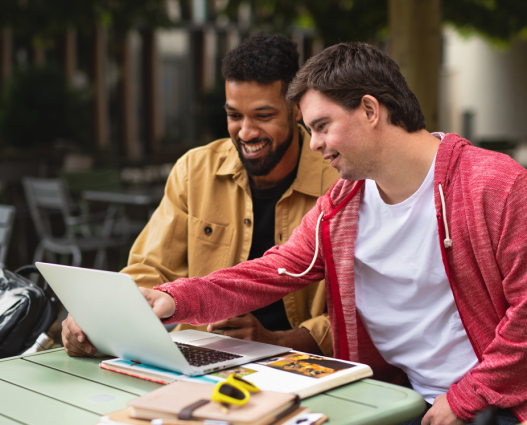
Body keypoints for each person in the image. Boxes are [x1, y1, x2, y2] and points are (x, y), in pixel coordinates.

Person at [135, 43, 527, 425]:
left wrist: (464, 398)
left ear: (370, 109)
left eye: (322, 126)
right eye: (309, 129)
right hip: (397, 399)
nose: (315, 143)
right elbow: (270, 271)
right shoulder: (342, 206)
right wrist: (172, 299)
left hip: (496, 404)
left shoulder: (494, 184)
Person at [61, 34, 338, 357]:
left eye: (263, 116)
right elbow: (149, 268)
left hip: (300, 365)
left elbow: (358, 312)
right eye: (234, 116)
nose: (246, 132)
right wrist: (99, 318)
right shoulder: (195, 170)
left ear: (296, 110)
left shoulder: (338, 181)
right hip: (192, 358)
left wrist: (276, 341)